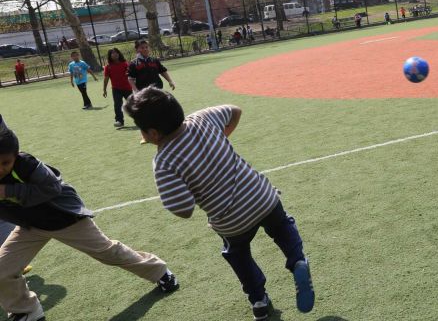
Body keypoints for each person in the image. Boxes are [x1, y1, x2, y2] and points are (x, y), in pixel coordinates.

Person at [122, 88, 315, 321]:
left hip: (230, 219)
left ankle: (259, 300)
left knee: (238, 254)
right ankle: (297, 261)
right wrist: (223, 137)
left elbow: (183, 209)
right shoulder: (201, 118)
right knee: (282, 226)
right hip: (261, 195)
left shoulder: (164, 161)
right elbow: (235, 111)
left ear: (152, 133)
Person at [0, 114, 178, 321]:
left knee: (109, 253)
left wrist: (7, 191)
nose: (1, 168)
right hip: (31, 226)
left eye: (6, 162)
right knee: (2, 269)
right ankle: (26, 311)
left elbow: (52, 188)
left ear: (15, 156)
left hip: (64, 219)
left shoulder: (27, 164)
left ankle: (160, 271)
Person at [102, 48, 132, 127]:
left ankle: (141, 119)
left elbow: (131, 75)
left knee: (132, 104)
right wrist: (104, 90)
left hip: (127, 88)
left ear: (119, 54)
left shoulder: (125, 64)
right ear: (110, 56)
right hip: (116, 89)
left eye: (116, 53)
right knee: (117, 105)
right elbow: (106, 79)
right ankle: (119, 121)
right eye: (113, 53)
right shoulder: (108, 67)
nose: (115, 54)